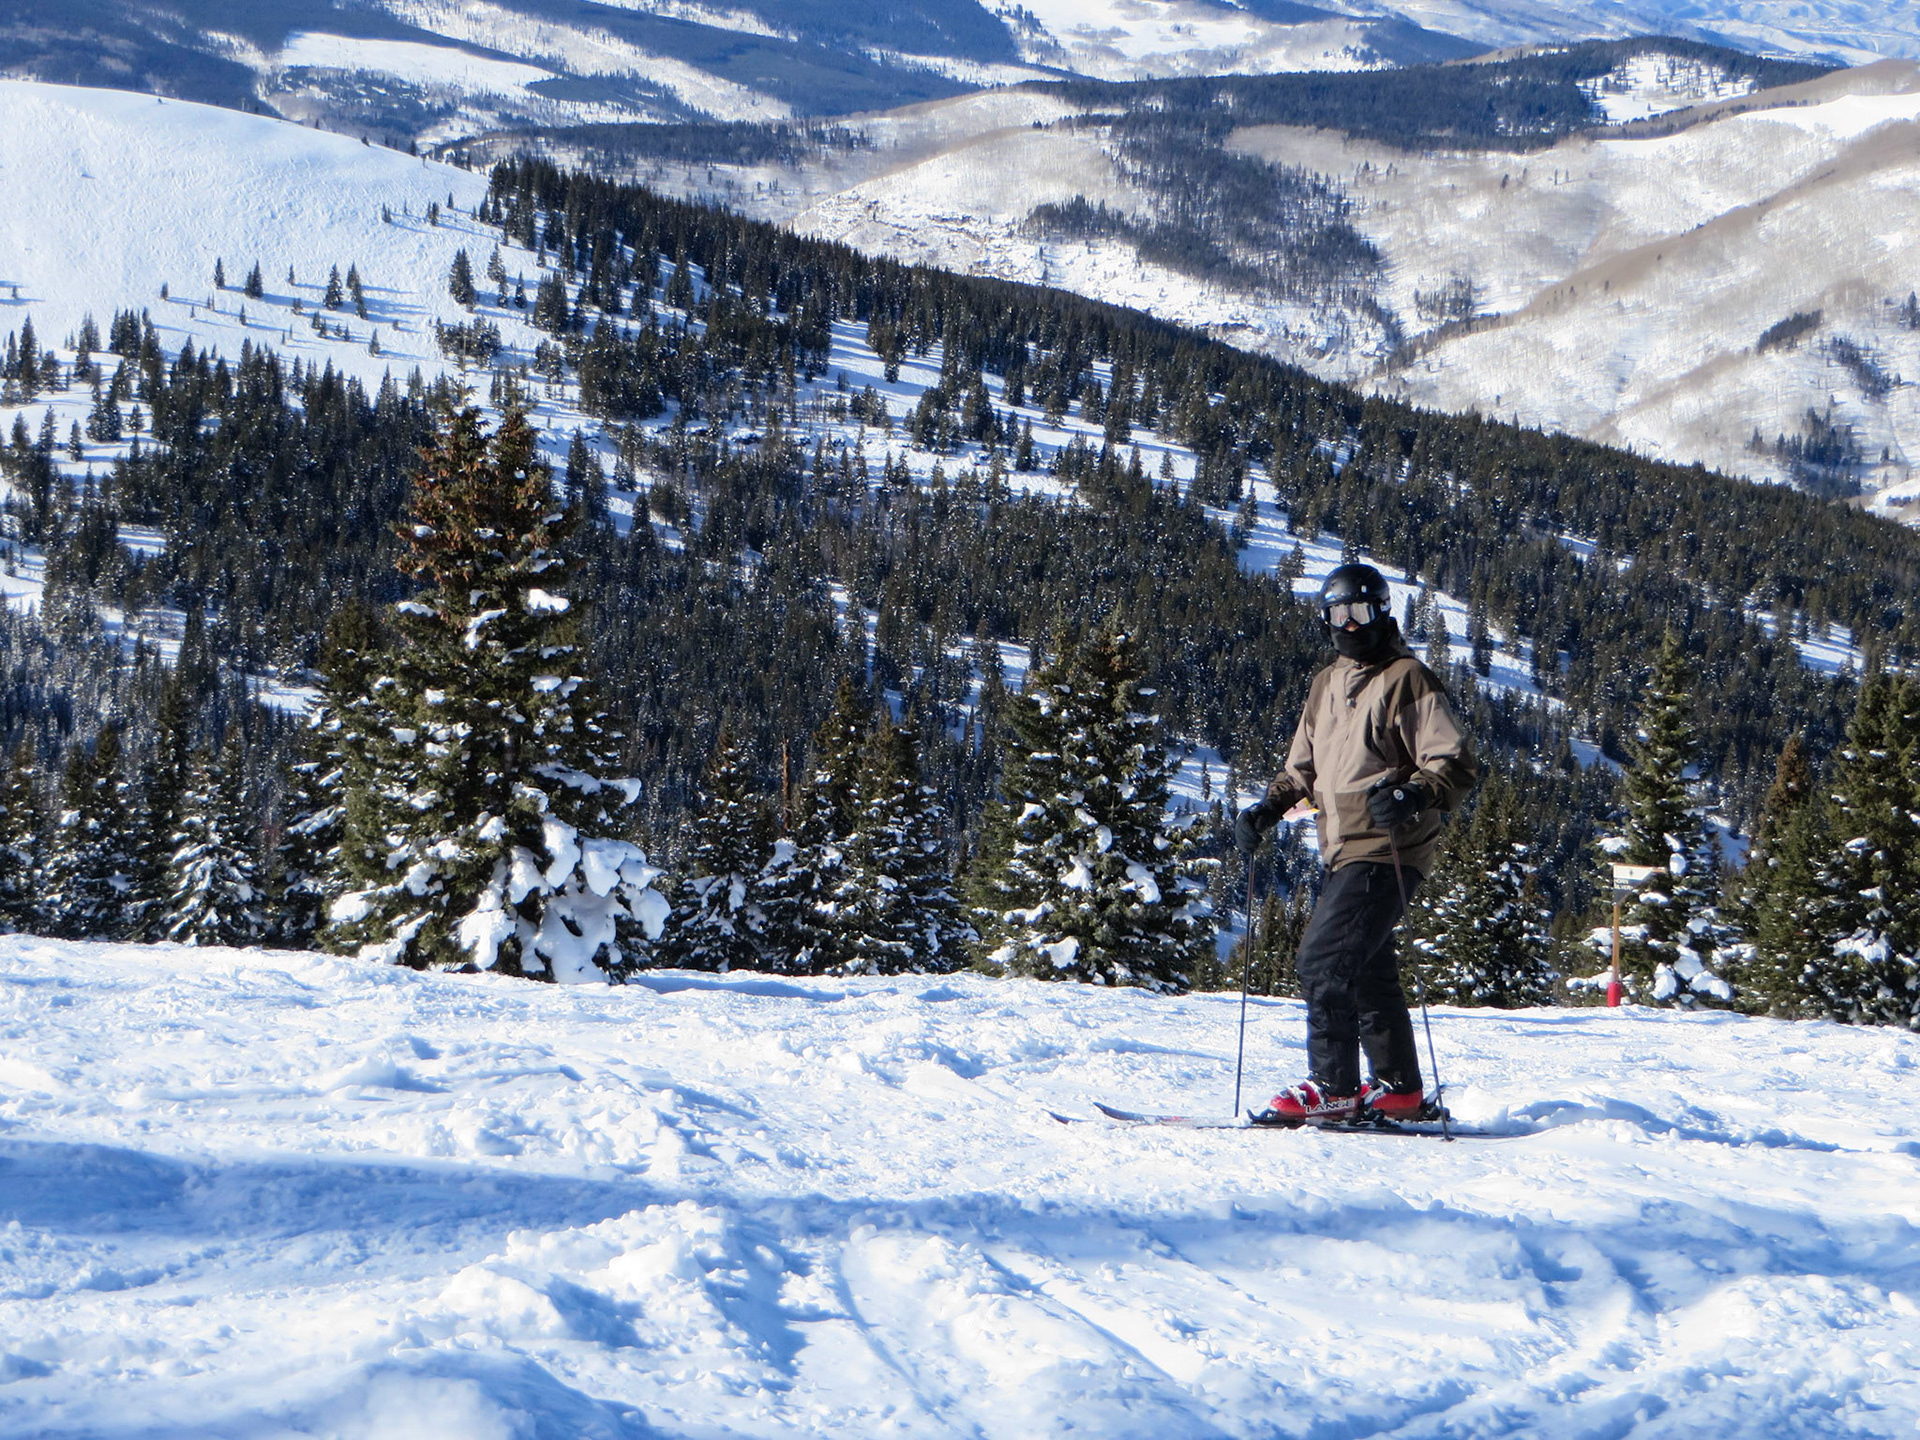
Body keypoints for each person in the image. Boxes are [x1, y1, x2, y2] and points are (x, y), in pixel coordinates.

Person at [1235, 562, 1477, 1122]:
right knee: (1366, 968)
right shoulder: (1325, 685)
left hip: (1390, 847)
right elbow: (1303, 768)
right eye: (1338, 614)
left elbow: (1454, 763)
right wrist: (1267, 809)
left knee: (1323, 962)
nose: (1349, 625)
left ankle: (1335, 1087)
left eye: (1360, 612)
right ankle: (1398, 1090)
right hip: (1342, 849)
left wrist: (1412, 795)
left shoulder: (1407, 678)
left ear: (1382, 612)